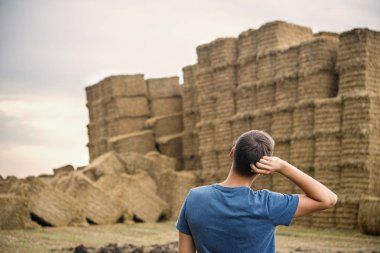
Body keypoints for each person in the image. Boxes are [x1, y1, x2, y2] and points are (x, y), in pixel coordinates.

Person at [176, 130, 338, 253]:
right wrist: (283, 166)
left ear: (232, 153)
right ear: (264, 168)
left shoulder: (195, 197)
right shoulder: (268, 204)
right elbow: (328, 199)